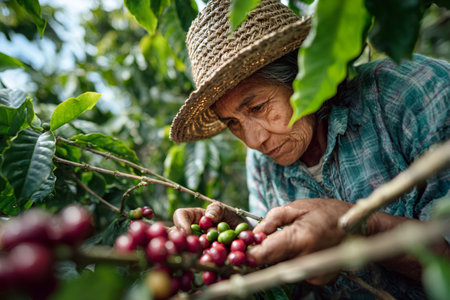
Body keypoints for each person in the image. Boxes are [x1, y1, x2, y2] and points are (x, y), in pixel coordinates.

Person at [169, 0, 450, 298]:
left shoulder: (414, 95)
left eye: (257, 107)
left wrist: (360, 225)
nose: (253, 141)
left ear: (303, 76)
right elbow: (293, 280)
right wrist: (249, 238)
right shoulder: (263, 165)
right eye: (232, 124)